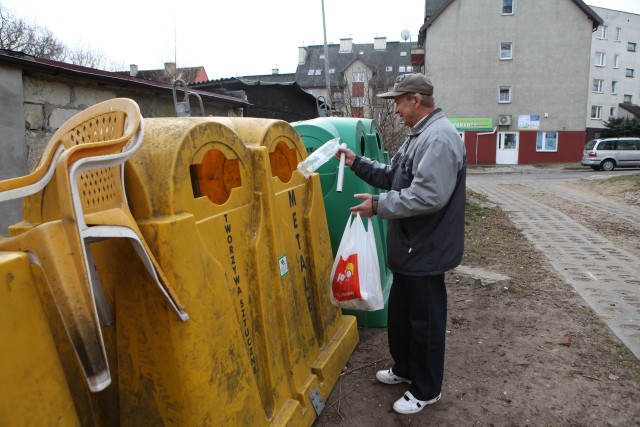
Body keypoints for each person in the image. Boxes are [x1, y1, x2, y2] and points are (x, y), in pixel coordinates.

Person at [335, 73, 466, 414]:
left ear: (415, 100)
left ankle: (426, 389)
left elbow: (428, 197)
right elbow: (395, 176)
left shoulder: (439, 138)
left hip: (426, 249)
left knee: (424, 323)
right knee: (403, 317)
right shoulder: (417, 137)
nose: (395, 109)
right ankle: (406, 369)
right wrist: (355, 161)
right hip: (410, 248)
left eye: (397, 102)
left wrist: (378, 206)